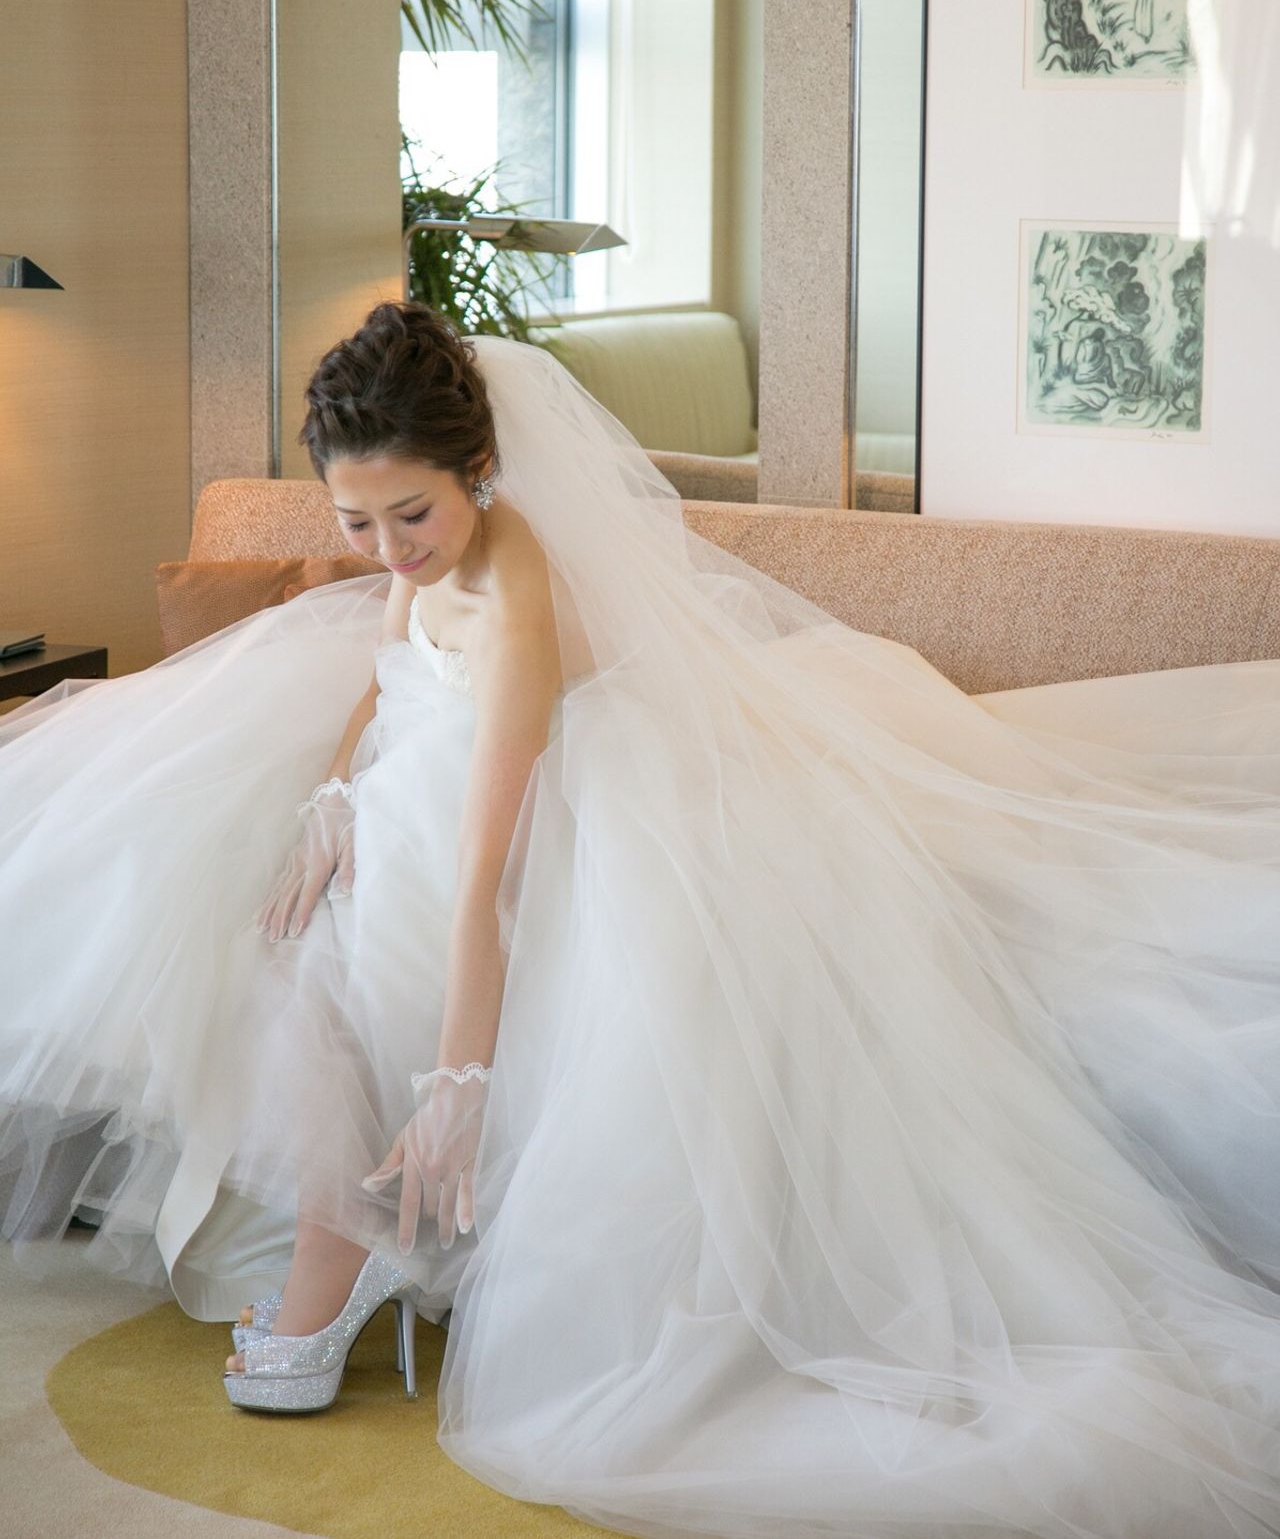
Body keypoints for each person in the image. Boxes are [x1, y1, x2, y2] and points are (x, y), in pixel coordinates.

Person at [1, 301, 1278, 1539]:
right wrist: (333, 795)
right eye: (355, 521)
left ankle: (330, 1269)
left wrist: (457, 1083)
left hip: (552, 826)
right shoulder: (413, 560)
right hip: (419, 800)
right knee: (260, 923)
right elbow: (382, 682)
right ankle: (345, 1251)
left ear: (479, 473)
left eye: (412, 514)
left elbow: (485, 875)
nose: (388, 548)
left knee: (339, 955)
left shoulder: (515, 589)